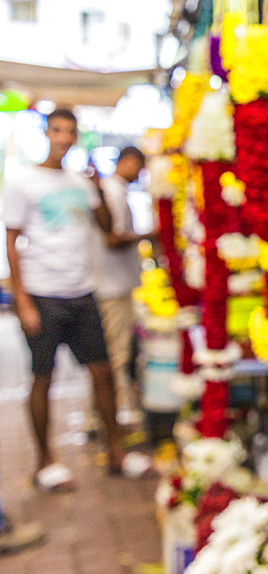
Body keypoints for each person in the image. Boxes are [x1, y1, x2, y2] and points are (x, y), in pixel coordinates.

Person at [3, 109, 149, 491]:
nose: (64, 138)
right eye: (58, 130)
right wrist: (22, 300)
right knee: (42, 377)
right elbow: (12, 242)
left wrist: (98, 188)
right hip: (43, 292)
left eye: (70, 131)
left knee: (102, 372)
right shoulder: (23, 182)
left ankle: (116, 451)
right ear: (46, 133)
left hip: (83, 291)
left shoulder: (80, 182)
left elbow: (105, 229)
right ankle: (44, 461)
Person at [91, 146, 148, 425]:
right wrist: (149, 235)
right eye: (140, 166)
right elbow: (111, 239)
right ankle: (107, 421)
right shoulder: (111, 191)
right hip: (112, 285)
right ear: (129, 161)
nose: (141, 173)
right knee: (115, 356)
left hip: (112, 283)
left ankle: (103, 418)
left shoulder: (112, 190)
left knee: (111, 356)